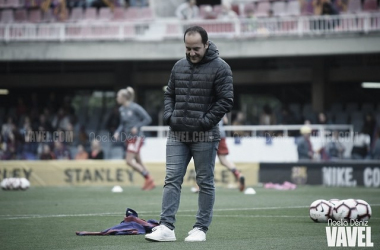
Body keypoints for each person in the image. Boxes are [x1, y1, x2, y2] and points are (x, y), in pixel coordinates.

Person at [145, 26, 233, 242]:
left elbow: (226, 101)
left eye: (196, 48)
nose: (191, 53)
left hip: (205, 135)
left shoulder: (221, 68)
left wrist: (204, 122)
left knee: (204, 181)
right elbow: (169, 94)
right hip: (177, 134)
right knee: (172, 179)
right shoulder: (178, 66)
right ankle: (166, 227)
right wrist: (169, 116)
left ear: (206, 44)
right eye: (187, 48)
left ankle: (200, 229)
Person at [113, 87, 155, 190]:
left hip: (136, 138)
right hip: (128, 138)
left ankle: (148, 177)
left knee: (128, 161)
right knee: (138, 161)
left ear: (124, 97)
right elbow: (122, 124)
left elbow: (148, 119)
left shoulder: (135, 107)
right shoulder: (121, 109)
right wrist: (117, 132)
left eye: (118, 96)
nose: (117, 98)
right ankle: (150, 182)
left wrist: (137, 126)